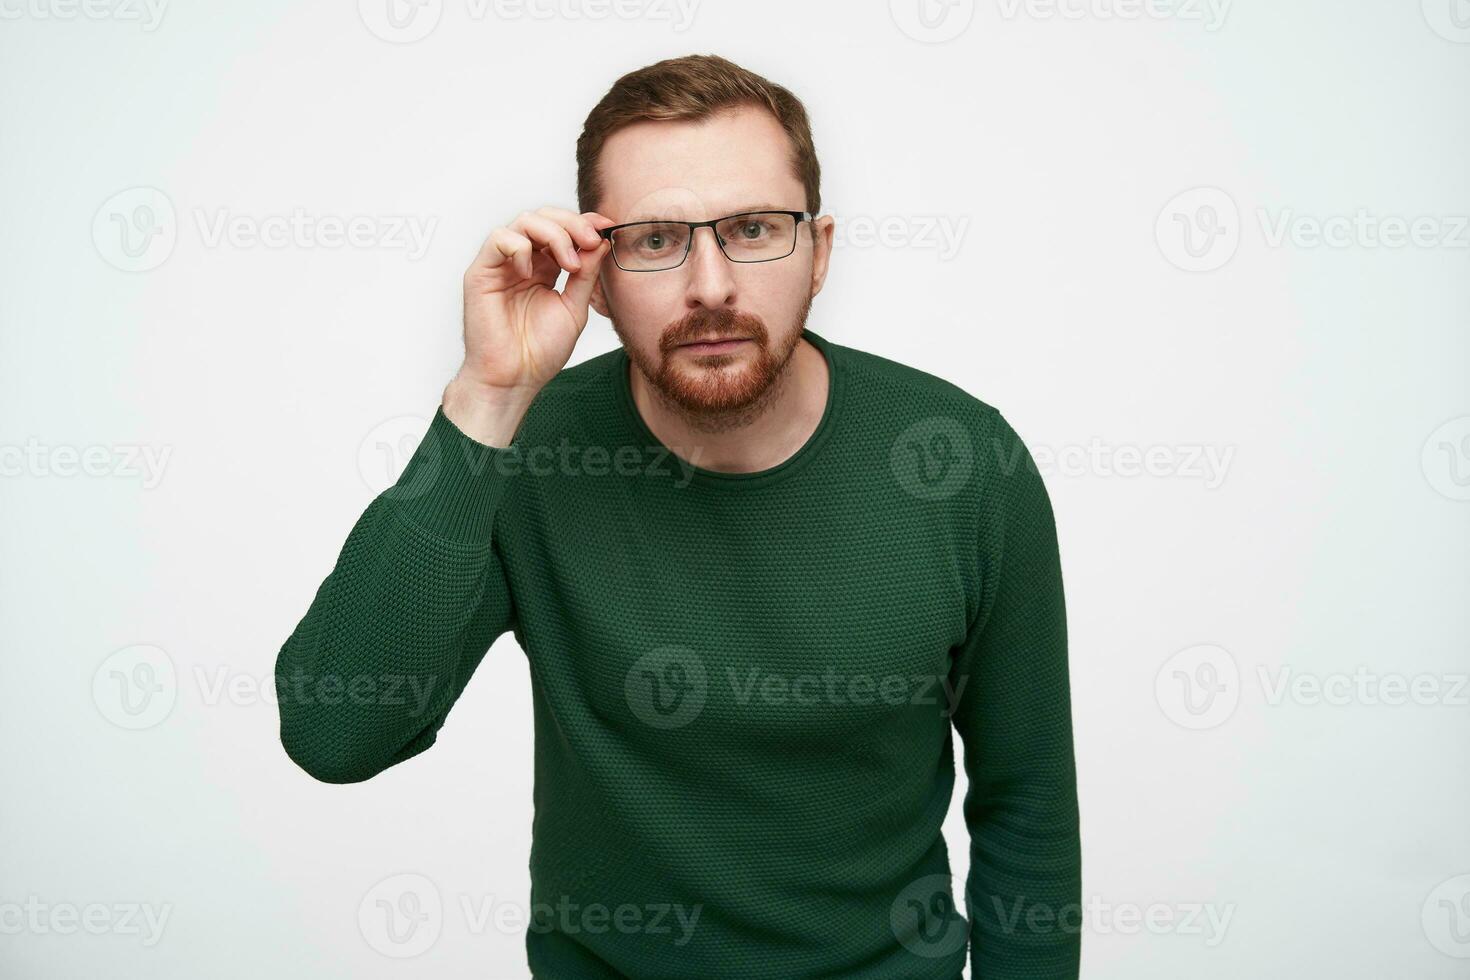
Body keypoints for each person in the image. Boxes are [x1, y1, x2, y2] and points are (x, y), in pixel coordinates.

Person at [274, 52, 1081, 980]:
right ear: (599, 275)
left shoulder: (966, 466)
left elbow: (1027, 808)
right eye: (655, 239)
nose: (710, 286)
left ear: (820, 252)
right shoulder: (528, 452)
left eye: (752, 229)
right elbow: (335, 735)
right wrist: (487, 397)